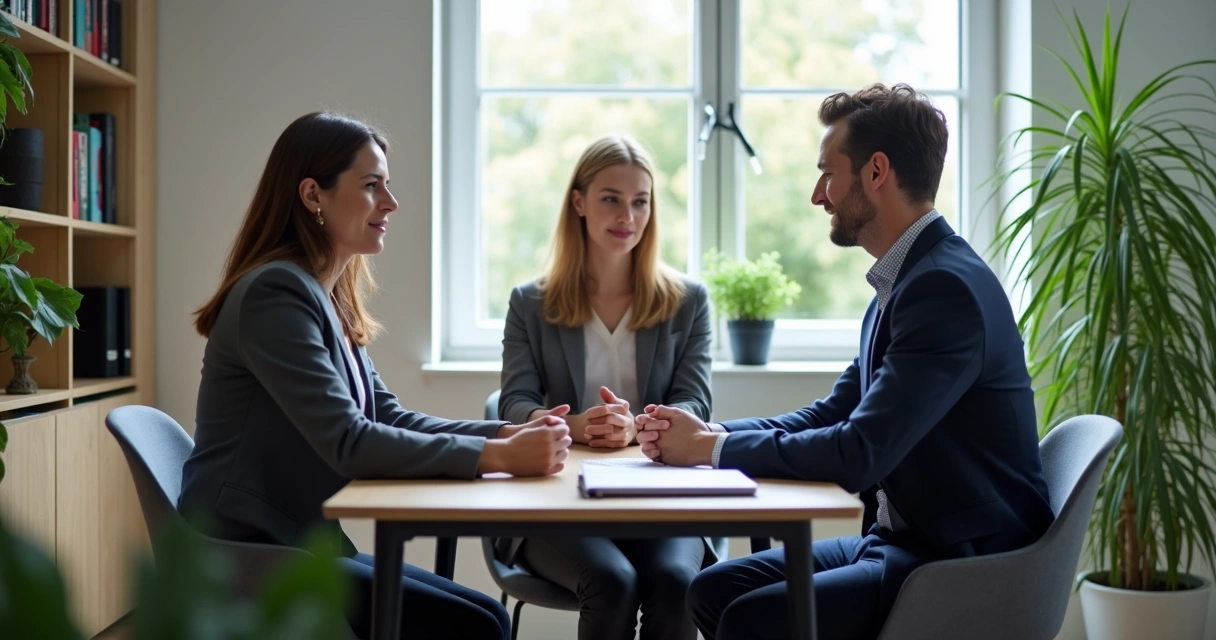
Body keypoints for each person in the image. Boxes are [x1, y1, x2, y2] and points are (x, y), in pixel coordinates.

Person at [636, 84, 1054, 640]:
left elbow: (858, 452)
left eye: (828, 174)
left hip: (961, 561)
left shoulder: (943, 291)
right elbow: (832, 414)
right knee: (712, 590)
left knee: (748, 618)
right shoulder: (905, 282)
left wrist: (707, 451)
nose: (818, 195)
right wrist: (710, 434)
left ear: (876, 172)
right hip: (902, 541)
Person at [179, 112, 572, 640]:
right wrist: (499, 457)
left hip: (297, 539)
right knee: (478, 627)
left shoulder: (325, 295)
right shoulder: (275, 295)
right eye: (371, 186)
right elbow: (349, 441)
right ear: (313, 195)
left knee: (489, 617)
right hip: (250, 551)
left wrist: (507, 434)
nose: (391, 203)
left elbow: (387, 416)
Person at [496, 135, 715, 640]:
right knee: (611, 583)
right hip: (557, 503)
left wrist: (636, 428)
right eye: (611, 199)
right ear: (578, 202)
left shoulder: (688, 301)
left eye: (640, 201)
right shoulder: (530, 302)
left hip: (660, 499)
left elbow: (695, 403)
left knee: (676, 583)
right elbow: (514, 403)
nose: (627, 216)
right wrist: (574, 426)